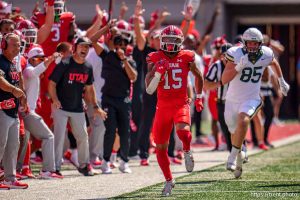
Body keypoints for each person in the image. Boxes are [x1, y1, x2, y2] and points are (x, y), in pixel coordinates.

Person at [222, 27, 290, 179]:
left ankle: (232, 156)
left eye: (255, 43)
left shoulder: (266, 53)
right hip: (232, 99)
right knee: (234, 132)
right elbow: (224, 79)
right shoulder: (235, 53)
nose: (252, 46)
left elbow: (274, 62)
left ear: (260, 43)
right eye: (250, 43)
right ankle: (239, 156)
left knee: (244, 119)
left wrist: (281, 81)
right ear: (244, 43)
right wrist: (239, 66)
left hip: (251, 97)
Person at [145, 25, 204, 196]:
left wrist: (199, 97)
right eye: (167, 40)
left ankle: (186, 150)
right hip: (162, 107)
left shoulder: (187, 56)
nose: (170, 44)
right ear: (161, 41)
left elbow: (199, 76)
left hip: (180, 103)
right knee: (160, 148)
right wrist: (157, 74)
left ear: (180, 42)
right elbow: (149, 90)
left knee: (184, 134)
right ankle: (169, 180)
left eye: (174, 41)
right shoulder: (154, 57)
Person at [48, 36, 107, 176]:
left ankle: (84, 165)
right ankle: (55, 168)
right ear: (75, 47)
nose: (85, 49)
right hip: (61, 106)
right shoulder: (65, 63)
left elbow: (89, 88)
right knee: (59, 137)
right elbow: (52, 84)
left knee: (83, 136)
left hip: (77, 108)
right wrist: (55, 99)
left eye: (87, 47)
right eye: (82, 46)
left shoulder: (87, 66)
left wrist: (95, 106)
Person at [90, 20, 137, 174]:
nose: (120, 44)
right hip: (108, 98)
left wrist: (123, 59)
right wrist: (106, 28)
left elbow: (133, 77)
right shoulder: (107, 55)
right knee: (109, 130)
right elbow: (93, 40)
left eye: (123, 42)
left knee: (124, 131)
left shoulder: (129, 60)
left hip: (123, 100)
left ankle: (124, 161)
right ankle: (105, 161)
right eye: (118, 41)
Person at [22, 47, 63, 179]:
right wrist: (50, 59)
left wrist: (53, 60)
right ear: (31, 59)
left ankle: (18, 170)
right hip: (26, 112)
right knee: (48, 136)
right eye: (39, 58)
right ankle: (47, 170)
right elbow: (34, 73)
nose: (41, 60)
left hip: (26, 111)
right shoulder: (28, 69)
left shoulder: (33, 68)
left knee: (24, 142)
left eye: (42, 58)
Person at [0, 33, 28, 189]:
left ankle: (10, 178)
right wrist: (13, 90)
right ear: (4, 45)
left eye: (19, 45)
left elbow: (17, 81)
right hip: (2, 109)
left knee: (13, 145)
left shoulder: (11, 63)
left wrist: (21, 96)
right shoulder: (0, 61)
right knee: (0, 144)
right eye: (15, 44)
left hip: (12, 111)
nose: (18, 48)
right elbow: (0, 81)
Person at [204, 43, 233, 151]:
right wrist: (220, 83)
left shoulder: (239, 65)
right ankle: (232, 152)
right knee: (225, 129)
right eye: (225, 55)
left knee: (237, 128)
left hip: (236, 102)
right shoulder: (216, 66)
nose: (228, 58)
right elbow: (206, 84)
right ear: (221, 56)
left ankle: (240, 148)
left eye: (230, 55)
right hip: (222, 102)